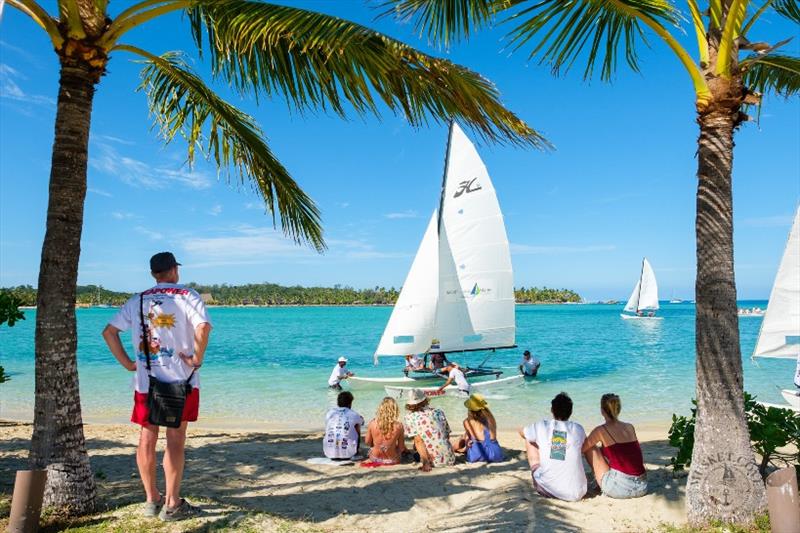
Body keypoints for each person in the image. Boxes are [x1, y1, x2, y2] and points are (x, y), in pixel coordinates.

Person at [102, 252, 212, 521]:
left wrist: (129, 364)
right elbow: (203, 327)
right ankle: (173, 504)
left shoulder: (138, 299)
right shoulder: (187, 296)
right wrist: (196, 359)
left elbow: (109, 332)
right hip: (181, 381)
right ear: (174, 270)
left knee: (146, 438)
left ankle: (152, 499)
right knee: (175, 441)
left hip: (145, 383)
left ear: (154, 274)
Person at [519, 392, 587, 501]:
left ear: (552, 410)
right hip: (578, 492)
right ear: (571, 412)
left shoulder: (542, 425)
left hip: (549, 489)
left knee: (529, 437)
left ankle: (537, 467)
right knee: (558, 448)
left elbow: (523, 433)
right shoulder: (578, 429)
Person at [582, 393, 647, 498]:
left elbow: (582, 448)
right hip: (642, 487)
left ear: (602, 411)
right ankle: (602, 482)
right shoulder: (630, 427)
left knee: (591, 448)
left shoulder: (601, 430)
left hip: (620, 489)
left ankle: (600, 484)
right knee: (608, 450)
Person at [403, 389, 455, 471]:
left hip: (433, 461)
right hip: (450, 458)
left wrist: (425, 463)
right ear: (425, 399)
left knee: (415, 452)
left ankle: (426, 461)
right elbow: (446, 435)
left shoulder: (409, 417)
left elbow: (418, 441)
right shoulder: (439, 412)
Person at [454, 394, 505, 463]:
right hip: (496, 454)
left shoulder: (467, 422)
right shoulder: (491, 418)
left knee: (464, 437)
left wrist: (467, 441)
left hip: (478, 454)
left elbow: (470, 439)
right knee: (470, 437)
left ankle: (452, 449)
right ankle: (461, 449)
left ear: (470, 410)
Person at [363, 397, 407, 466]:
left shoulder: (372, 423)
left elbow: (367, 442)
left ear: (380, 409)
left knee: (374, 448)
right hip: (393, 460)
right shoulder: (399, 426)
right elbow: (401, 448)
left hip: (374, 458)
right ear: (395, 410)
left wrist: (376, 443)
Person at [323, 391, 364, 460]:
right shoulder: (354, 414)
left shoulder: (330, 413)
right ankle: (356, 450)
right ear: (350, 403)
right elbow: (362, 422)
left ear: (338, 403)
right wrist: (360, 418)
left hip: (329, 453)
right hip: (348, 454)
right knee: (357, 425)